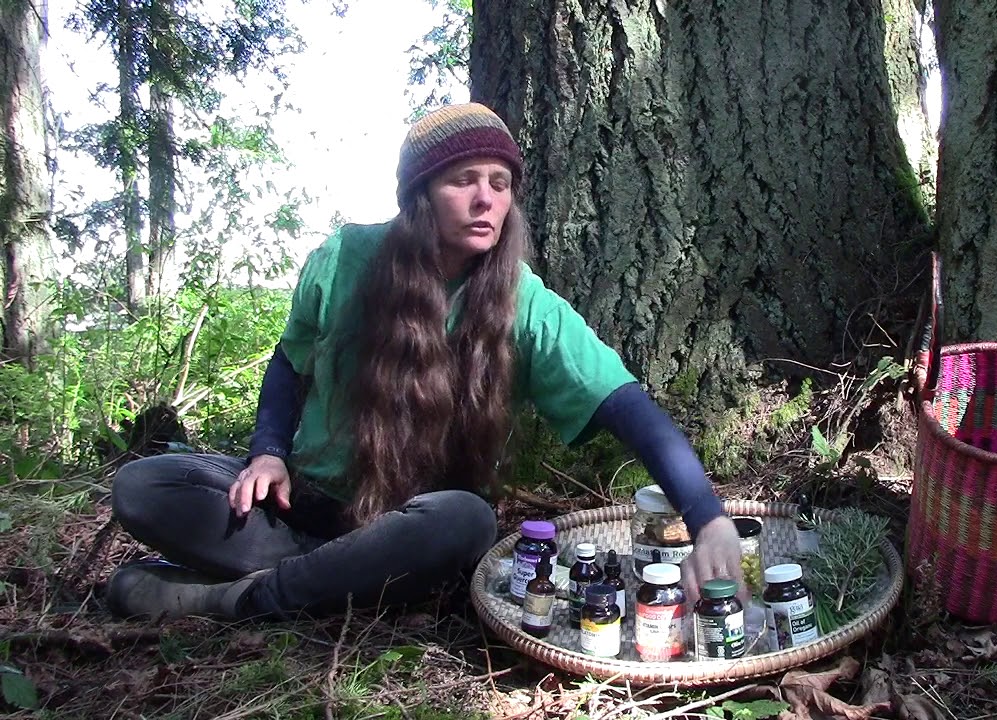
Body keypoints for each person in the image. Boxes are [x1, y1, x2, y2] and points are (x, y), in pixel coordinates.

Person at [105, 103, 744, 621]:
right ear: (420, 194)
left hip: (402, 530)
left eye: (499, 184)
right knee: (144, 486)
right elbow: (287, 365)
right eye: (462, 180)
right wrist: (267, 452)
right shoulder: (345, 258)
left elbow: (628, 408)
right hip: (298, 508)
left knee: (465, 520)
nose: (485, 199)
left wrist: (708, 520)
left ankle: (236, 598)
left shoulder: (524, 302)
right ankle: (323, 578)